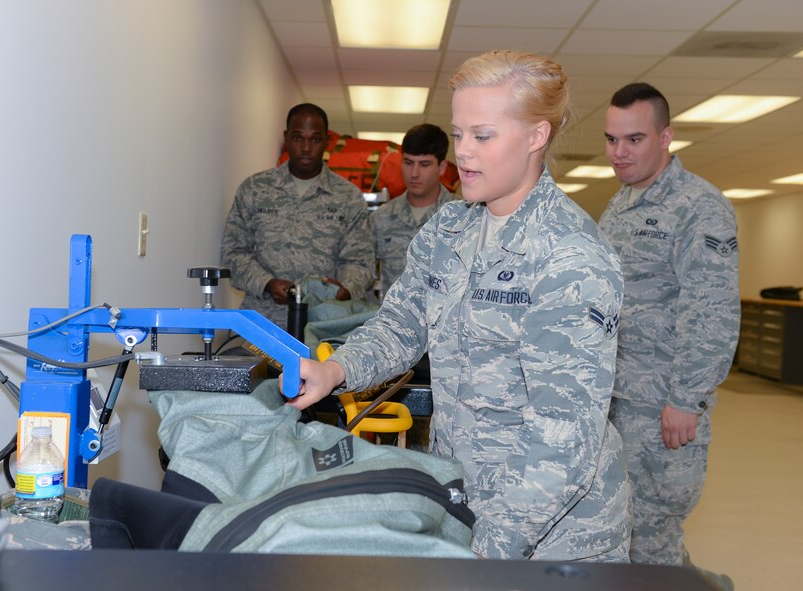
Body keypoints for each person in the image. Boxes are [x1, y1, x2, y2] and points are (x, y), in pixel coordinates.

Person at [284, 50, 630, 562]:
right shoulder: (449, 228)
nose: (463, 153)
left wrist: (489, 551)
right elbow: (401, 324)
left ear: (536, 136)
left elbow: (561, 437)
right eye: (460, 133)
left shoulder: (571, 257)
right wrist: (335, 370)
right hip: (463, 495)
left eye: (482, 136)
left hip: (551, 536)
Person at [599, 84, 739, 580]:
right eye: (613, 139)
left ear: (666, 138)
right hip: (617, 401)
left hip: (660, 407)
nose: (620, 152)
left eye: (634, 139)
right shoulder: (619, 204)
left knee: (652, 539)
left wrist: (686, 399)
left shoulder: (699, 206)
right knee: (624, 534)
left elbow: (712, 311)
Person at [220, 103, 375, 329]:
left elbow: (361, 261)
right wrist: (267, 283)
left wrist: (344, 289)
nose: (305, 147)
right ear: (286, 138)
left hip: (324, 324)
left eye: (315, 139)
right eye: (297, 137)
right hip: (263, 324)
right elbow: (233, 253)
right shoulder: (255, 189)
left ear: (326, 142)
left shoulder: (348, 197)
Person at [370, 124, 457, 299]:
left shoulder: (462, 217)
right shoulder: (381, 218)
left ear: (442, 167)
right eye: (408, 163)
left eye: (424, 164)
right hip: (393, 322)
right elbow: (365, 274)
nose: (414, 173)